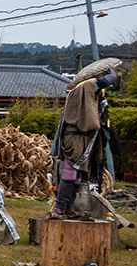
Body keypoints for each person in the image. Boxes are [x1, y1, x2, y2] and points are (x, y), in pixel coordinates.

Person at [51, 65, 120, 217]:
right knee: (70, 173)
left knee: (78, 176)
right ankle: (60, 209)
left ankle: (68, 210)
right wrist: (111, 73)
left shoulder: (84, 91)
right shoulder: (85, 87)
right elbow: (106, 81)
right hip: (75, 139)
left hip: (83, 138)